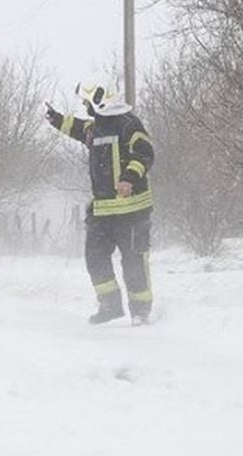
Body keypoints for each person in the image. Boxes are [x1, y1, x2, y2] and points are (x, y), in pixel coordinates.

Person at [45, 78, 156, 325]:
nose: (85, 106)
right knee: (94, 257)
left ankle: (140, 311)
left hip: (133, 211)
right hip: (103, 210)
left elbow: (145, 153)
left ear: (99, 100)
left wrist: (129, 177)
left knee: (134, 261)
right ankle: (110, 306)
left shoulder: (129, 125)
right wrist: (56, 119)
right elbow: (77, 128)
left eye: (87, 101)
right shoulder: (95, 127)